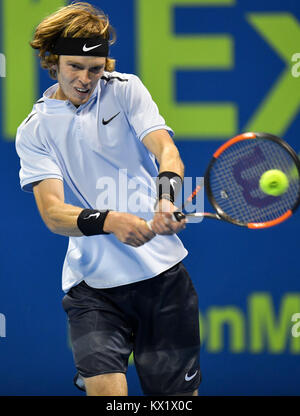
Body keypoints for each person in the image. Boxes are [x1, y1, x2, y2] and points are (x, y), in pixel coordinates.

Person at [15, 2, 201, 396]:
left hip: (164, 282)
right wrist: (110, 220)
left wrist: (166, 198)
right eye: (74, 67)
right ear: (54, 61)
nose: (85, 79)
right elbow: (52, 213)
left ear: (106, 65)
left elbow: (167, 152)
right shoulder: (34, 130)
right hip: (94, 289)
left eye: (95, 69)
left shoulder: (126, 90)